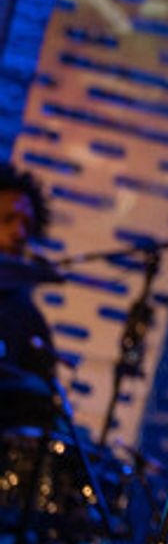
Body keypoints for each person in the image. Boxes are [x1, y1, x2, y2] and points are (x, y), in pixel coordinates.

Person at [0, 162, 59, 427]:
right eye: (8, 220)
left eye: (27, 225)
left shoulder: (28, 318)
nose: (19, 233)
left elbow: (40, 391)